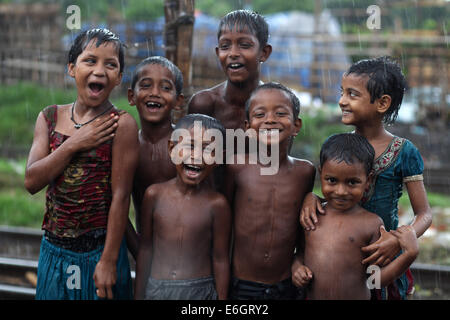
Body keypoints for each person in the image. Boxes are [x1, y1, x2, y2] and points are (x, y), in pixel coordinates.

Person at [299, 56, 432, 299]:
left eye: (352, 94)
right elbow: (333, 188)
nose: (341, 101)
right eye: (342, 93)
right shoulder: (341, 147)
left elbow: (424, 214)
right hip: (338, 251)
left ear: (382, 103)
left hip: (381, 253)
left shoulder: (404, 151)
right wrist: (312, 197)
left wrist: (398, 239)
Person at [24, 28, 139, 300]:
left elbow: (121, 198)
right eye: (90, 60)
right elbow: (31, 181)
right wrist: (76, 142)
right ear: (71, 68)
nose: (100, 70)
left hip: (98, 252)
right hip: (54, 250)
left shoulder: (120, 124)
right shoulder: (49, 117)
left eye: (110, 64)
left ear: (119, 78)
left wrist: (109, 260)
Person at [293, 133, 419, 300]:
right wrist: (296, 268)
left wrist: (409, 254)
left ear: (368, 181)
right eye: (331, 180)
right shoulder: (313, 215)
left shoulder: (371, 224)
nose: (341, 191)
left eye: (352, 182)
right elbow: (300, 253)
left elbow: (375, 281)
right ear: (320, 174)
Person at [224, 82, 315, 300]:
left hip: (286, 285)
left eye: (281, 113)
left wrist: (314, 197)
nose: (270, 119)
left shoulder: (305, 172)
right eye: (260, 114)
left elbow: (305, 229)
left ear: (296, 125)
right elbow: (223, 223)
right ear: (247, 126)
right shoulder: (235, 167)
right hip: (240, 285)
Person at [134, 114, 231, 300]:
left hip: (199, 291)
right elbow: (146, 248)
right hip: (157, 289)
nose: (195, 155)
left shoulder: (217, 205)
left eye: (207, 149)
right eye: (188, 146)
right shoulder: (154, 195)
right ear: (172, 148)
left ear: (219, 157)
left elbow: (220, 258)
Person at [125, 56, 184, 259]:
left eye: (166, 88)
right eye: (146, 85)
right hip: (147, 250)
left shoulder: (188, 146)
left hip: (189, 251)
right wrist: (139, 252)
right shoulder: (128, 147)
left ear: (178, 101)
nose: (155, 93)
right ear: (132, 96)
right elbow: (117, 205)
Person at [187, 9, 272, 132]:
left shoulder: (275, 106)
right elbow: (193, 150)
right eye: (225, 46)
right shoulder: (204, 104)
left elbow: (277, 151)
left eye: (244, 45)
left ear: (264, 52)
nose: (233, 54)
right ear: (218, 53)